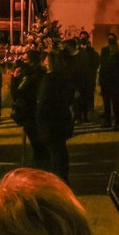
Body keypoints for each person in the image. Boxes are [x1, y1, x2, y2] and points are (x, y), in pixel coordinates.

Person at [36, 51, 75, 182]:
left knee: (55, 152)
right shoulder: (64, 77)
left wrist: (40, 118)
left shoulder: (49, 79)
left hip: (50, 121)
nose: (45, 61)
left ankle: (58, 179)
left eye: (47, 60)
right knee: (60, 150)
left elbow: (43, 101)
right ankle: (63, 176)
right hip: (61, 117)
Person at [99, 33, 119, 130]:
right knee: (107, 103)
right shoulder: (105, 50)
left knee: (115, 103)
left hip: (115, 81)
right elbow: (102, 65)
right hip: (107, 80)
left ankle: (117, 123)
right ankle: (108, 121)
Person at [74, 31, 99, 122]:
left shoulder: (91, 51)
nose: (83, 39)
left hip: (88, 78)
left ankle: (85, 115)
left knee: (85, 97)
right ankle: (78, 116)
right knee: (78, 99)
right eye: (82, 37)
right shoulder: (77, 51)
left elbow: (95, 62)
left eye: (85, 37)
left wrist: (92, 72)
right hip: (79, 78)